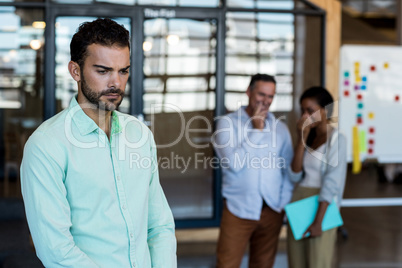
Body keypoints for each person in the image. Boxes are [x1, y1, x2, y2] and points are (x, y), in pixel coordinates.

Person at [20, 18, 176, 267]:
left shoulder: (140, 135)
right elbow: (56, 249)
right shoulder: (46, 145)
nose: (116, 83)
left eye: (123, 71)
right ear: (76, 71)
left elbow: (159, 225)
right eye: (103, 71)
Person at [213, 73, 294, 268]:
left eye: (270, 96)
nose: (265, 101)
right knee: (227, 264)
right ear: (249, 92)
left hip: (272, 210)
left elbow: (288, 171)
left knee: (263, 264)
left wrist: (282, 202)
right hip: (238, 209)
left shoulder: (280, 129)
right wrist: (256, 131)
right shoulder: (227, 124)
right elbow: (233, 163)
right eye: (261, 94)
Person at [287, 86, 347, 268]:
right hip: (299, 200)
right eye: (302, 110)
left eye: (310, 111)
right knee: (296, 261)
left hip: (322, 205)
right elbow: (294, 175)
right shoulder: (308, 137)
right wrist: (301, 139)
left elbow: (332, 182)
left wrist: (318, 222)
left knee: (318, 262)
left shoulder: (337, 140)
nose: (305, 116)